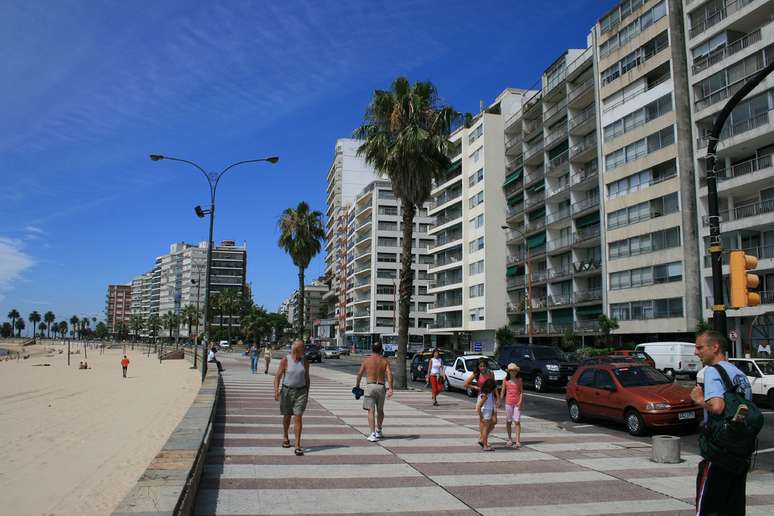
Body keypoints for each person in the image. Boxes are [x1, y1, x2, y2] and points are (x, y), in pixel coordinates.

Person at [691, 330, 752, 516]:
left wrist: (699, 399)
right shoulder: (738, 374)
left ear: (715, 347)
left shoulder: (712, 372)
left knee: (708, 507)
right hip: (740, 453)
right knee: (733, 507)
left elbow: (717, 407)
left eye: (700, 347)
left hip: (719, 454)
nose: (696, 352)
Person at [274, 340, 310, 456]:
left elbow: (307, 378)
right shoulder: (286, 360)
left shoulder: (305, 362)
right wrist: (276, 391)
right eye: (302, 349)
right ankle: (285, 436)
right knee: (287, 416)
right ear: (296, 350)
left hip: (301, 392)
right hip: (287, 391)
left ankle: (298, 445)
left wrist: (307, 393)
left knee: (298, 416)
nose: (304, 351)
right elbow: (277, 377)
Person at [354, 341, 394, 442]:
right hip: (381, 386)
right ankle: (379, 430)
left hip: (370, 386)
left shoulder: (367, 361)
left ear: (372, 349)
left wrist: (357, 386)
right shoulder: (384, 361)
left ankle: (372, 434)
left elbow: (359, 374)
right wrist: (391, 388)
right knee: (380, 410)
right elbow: (389, 374)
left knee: (370, 410)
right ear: (381, 349)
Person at [499, 363, 523, 448]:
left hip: (517, 403)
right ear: (509, 371)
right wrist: (499, 401)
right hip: (508, 403)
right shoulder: (505, 380)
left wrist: (520, 402)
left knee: (517, 421)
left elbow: (521, 392)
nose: (513, 372)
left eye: (515, 370)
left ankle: (517, 441)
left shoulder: (519, 380)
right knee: (509, 421)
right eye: (511, 371)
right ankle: (509, 439)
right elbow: (502, 391)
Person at [476, 378, 498, 451]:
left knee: (489, 427)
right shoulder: (485, 395)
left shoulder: (486, 393)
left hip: (487, 411)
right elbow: (479, 406)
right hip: (486, 412)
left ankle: (483, 442)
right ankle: (485, 445)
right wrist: (481, 416)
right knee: (485, 429)